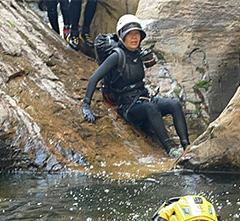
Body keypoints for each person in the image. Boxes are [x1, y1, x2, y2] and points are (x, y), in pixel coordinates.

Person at [80, 14, 190, 158]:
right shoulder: (116, 56)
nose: (134, 37)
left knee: (173, 104)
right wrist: (86, 105)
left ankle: (186, 146)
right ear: (122, 36)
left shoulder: (138, 53)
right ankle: (170, 149)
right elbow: (94, 78)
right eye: (130, 34)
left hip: (144, 97)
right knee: (151, 108)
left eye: (136, 33)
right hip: (128, 106)